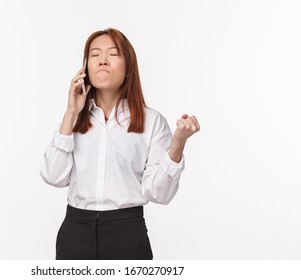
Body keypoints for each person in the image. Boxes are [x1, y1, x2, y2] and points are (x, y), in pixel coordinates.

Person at [40, 27, 200, 260]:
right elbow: (53, 176)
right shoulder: (73, 119)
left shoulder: (151, 121)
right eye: (94, 55)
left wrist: (178, 144)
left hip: (127, 232)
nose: (102, 61)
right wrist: (71, 113)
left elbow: (160, 194)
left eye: (113, 54)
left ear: (128, 68)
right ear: (86, 67)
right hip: (75, 231)